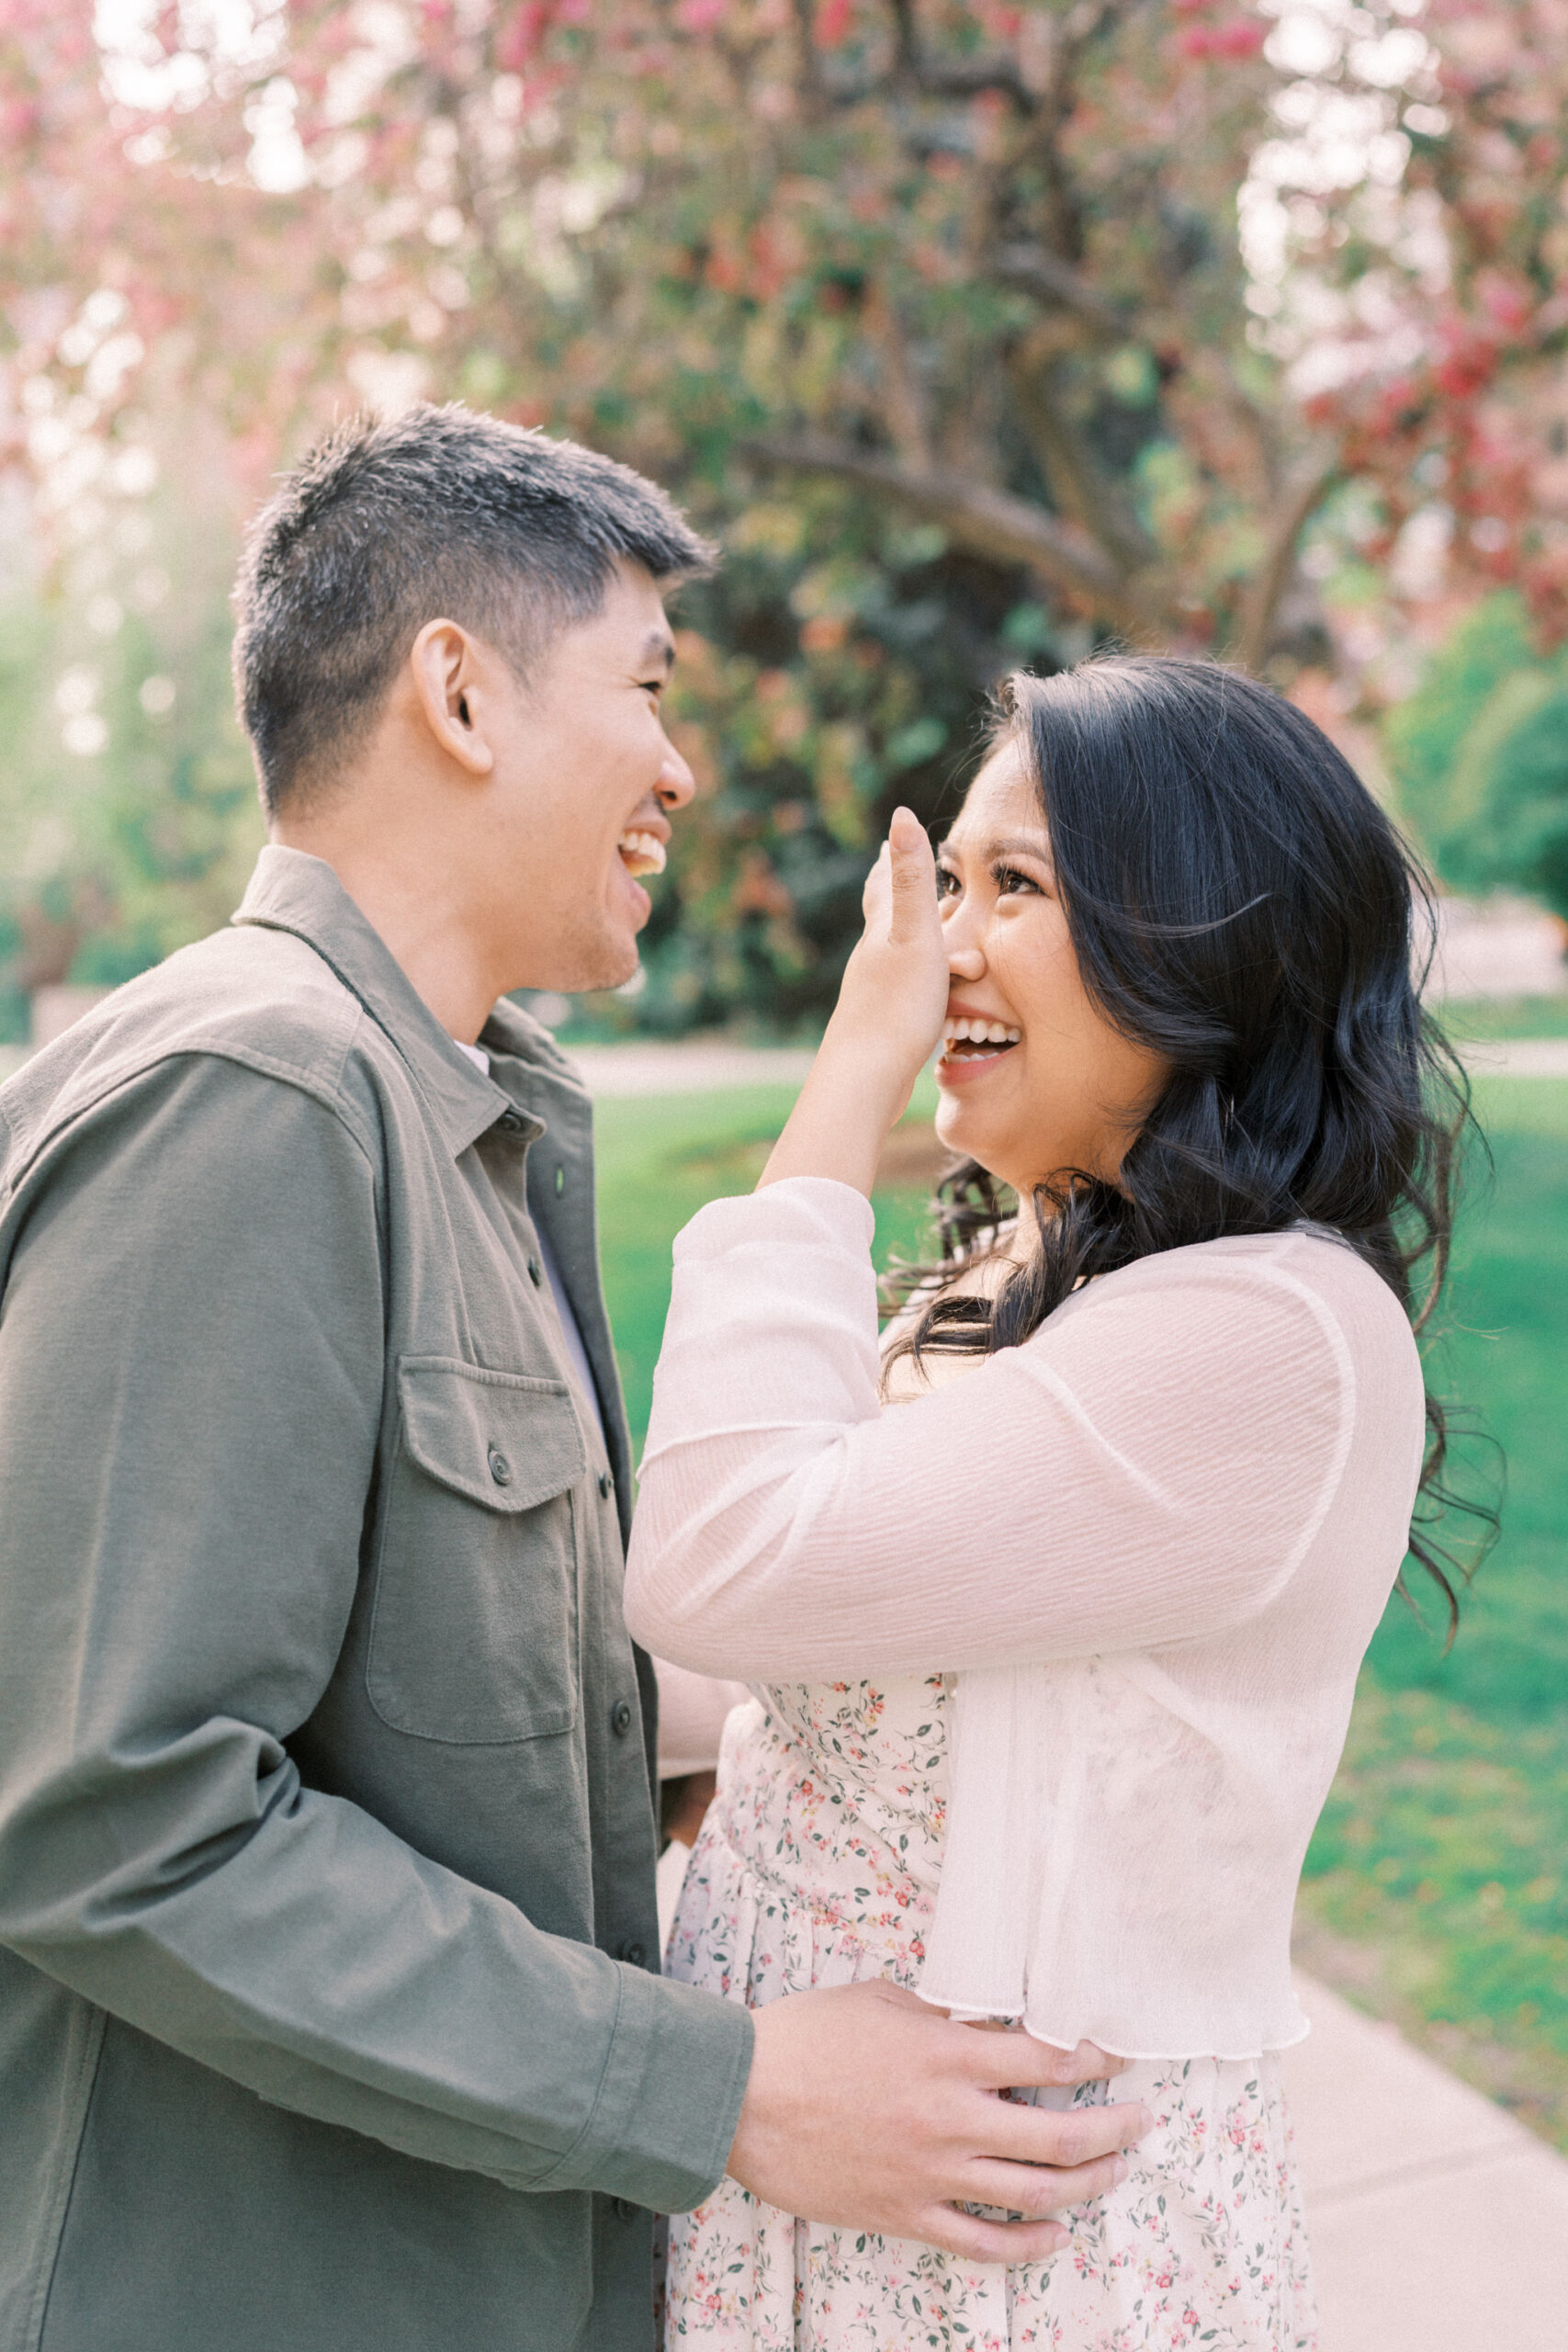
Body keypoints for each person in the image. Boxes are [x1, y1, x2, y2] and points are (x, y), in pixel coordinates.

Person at [0, 405, 1148, 2352]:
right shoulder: (255, 1094)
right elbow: (115, 1813)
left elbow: (433, 1671)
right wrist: (724, 2089)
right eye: (644, 686)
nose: (683, 767)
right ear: (458, 692)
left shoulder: (472, 1115)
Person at [625, 656, 1480, 2348]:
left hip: (1024, 2285)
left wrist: (837, 1097)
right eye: (948, 883)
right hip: (800, 2233)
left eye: (1013, 886)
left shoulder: (1277, 1340)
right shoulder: (1029, 1282)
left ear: (1201, 941)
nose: (942, 948)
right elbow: (783, 1676)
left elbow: (723, 1560)